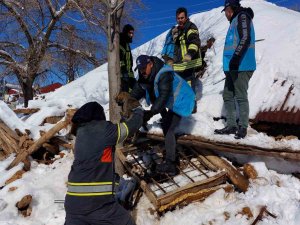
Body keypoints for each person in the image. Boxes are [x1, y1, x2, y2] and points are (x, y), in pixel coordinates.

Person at [64, 101, 143, 225]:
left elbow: (99, 161)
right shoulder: (103, 129)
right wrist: (139, 110)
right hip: (97, 205)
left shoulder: (81, 134)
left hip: (72, 204)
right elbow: (131, 127)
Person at [131, 55, 195, 176]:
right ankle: (172, 154)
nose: (142, 71)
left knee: (168, 128)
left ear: (151, 64)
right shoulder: (147, 73)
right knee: (165, 120)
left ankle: (171, 164)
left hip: (183, 101)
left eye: (144, 68)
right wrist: (129, 98)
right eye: (140, 69)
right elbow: (139, 87)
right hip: (173, 102)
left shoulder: (164, 74)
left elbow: (163, 97)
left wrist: (150, 113)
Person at [214, 0, 256, 139]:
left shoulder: (242, 17)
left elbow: (245, 38)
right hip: (233, 67)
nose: (225, 15)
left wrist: (236, 58)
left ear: (229, 9)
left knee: (240, 96)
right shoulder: (234, 21)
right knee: (227, 95)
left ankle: (243, 126)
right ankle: (231, 125)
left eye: (225, 11)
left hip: (242, 66)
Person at [163, 7, 202, 113]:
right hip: (180, 64)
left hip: (189, 63)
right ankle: (181, 109)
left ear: (186, 17)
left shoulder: (190, 27)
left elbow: (195, 41)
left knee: (189, 85)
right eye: (178, 18)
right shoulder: (177, 30)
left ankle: (192, 110)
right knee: (179, 86)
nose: (180, 20)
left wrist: (190, 54)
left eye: (182, 18)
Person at [120, 24, 135, 93]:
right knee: (126, 93)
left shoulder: (126, 44)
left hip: (129, 73)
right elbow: (119, 57)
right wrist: (123, 70)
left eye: (132, 33)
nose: (132, 35)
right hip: (123, 74)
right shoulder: (121, 41)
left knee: (135, 90)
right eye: (130, 33)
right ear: (126, 32)